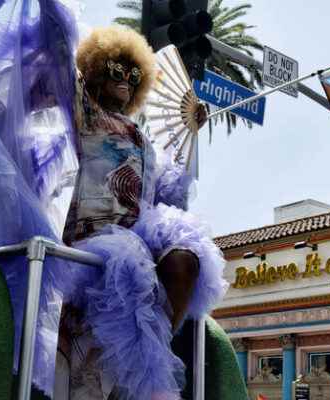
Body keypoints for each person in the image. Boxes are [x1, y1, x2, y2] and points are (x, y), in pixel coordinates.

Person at [57, 26, 227, 399]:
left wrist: (192, 133)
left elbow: (167, 197)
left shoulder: (144, 138)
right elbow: (59, 67)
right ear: (97, 73)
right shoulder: (84, 116)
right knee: (85, 378)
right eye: (116, 71)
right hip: (90, 244)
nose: (125, 81)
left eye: (134, 76)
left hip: (136, 239)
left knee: (185, 258)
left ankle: (152, 356)